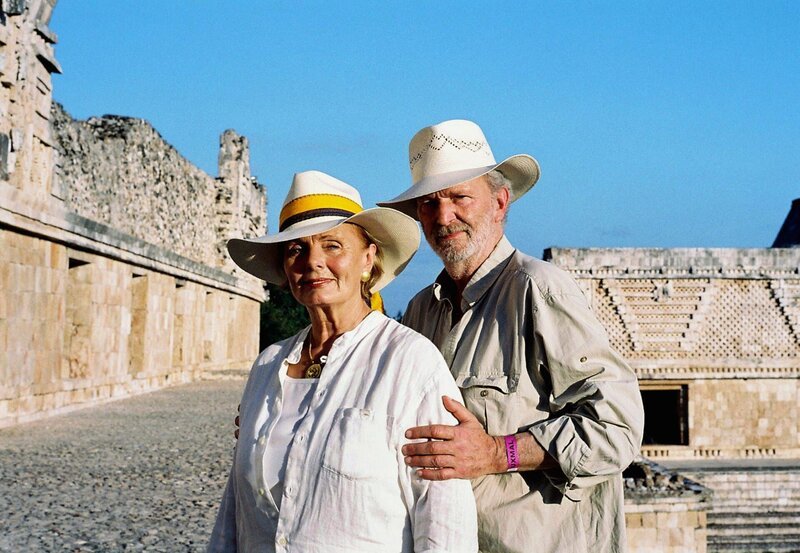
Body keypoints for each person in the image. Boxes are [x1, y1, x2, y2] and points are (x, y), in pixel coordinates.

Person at [378, 120, 644, 553]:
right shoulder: (421, 310)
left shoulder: (539, 290)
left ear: (500, 202)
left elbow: (617, 429)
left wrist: (497, 453)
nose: (444, 217)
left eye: (459, 197)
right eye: (429, 203)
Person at [208, 170, 478, 553]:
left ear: (368, 259)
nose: (313, 261)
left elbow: (445, 519)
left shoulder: (409, 363)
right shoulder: (268, 366)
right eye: (296, 249)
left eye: (332, 245)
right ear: (286, 270)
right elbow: (236, 507)